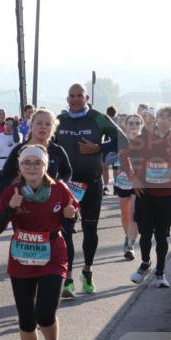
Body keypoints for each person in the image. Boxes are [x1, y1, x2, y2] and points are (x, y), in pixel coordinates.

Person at [0, 144, 79, 340]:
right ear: (20, 167)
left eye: (37, 162)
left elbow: (72, 215)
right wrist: (10, 208)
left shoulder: (59, 189)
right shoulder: (12, 191)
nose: (32, 166)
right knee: (27, 319)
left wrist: (72, 215)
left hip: (52, 254)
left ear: (45, 165)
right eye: (27, 163)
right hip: (22, 256)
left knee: (45, 313)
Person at [53, 83, 127, 297]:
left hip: (92, 183)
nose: (75, 99)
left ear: (86, 98)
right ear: (67, 99)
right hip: (67, 185)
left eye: (79, 96)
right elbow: (45, 144)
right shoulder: (61, 120)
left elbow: (125, 140)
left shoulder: (98, 118)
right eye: (72, 96)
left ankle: (87, 271)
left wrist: (99, 148)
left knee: (90, 229)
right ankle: (67, 279)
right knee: (65, 231)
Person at [121, 106, 171, 289]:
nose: (165, 121)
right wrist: (133, 178)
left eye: (169, 118)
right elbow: (123, 156)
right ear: (156, 119)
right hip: (145, 194)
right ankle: (145, 263)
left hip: (166, 195)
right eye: (162, 117)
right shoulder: (143, 139)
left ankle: (160, 272)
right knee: (145, 234)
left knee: (162, 236)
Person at [114, 113, 144, 261]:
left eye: (137, 123)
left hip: (139, 182)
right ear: (125, 125)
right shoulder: (121, 141)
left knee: (133, 214)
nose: (134, 126)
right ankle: (127, 237)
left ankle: (131, 245)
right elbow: (112, 156)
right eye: (131, 123)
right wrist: (116, 166)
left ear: (141, 125)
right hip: (122, 181)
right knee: (125, 215)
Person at [0, 117, 21, 196]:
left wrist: (15, 128)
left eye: (11, 125)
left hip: (12, 165)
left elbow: (16, 140)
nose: (8, 127)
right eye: (7, 124)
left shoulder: (18, 135)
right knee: (0, 190)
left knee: (11, 189)